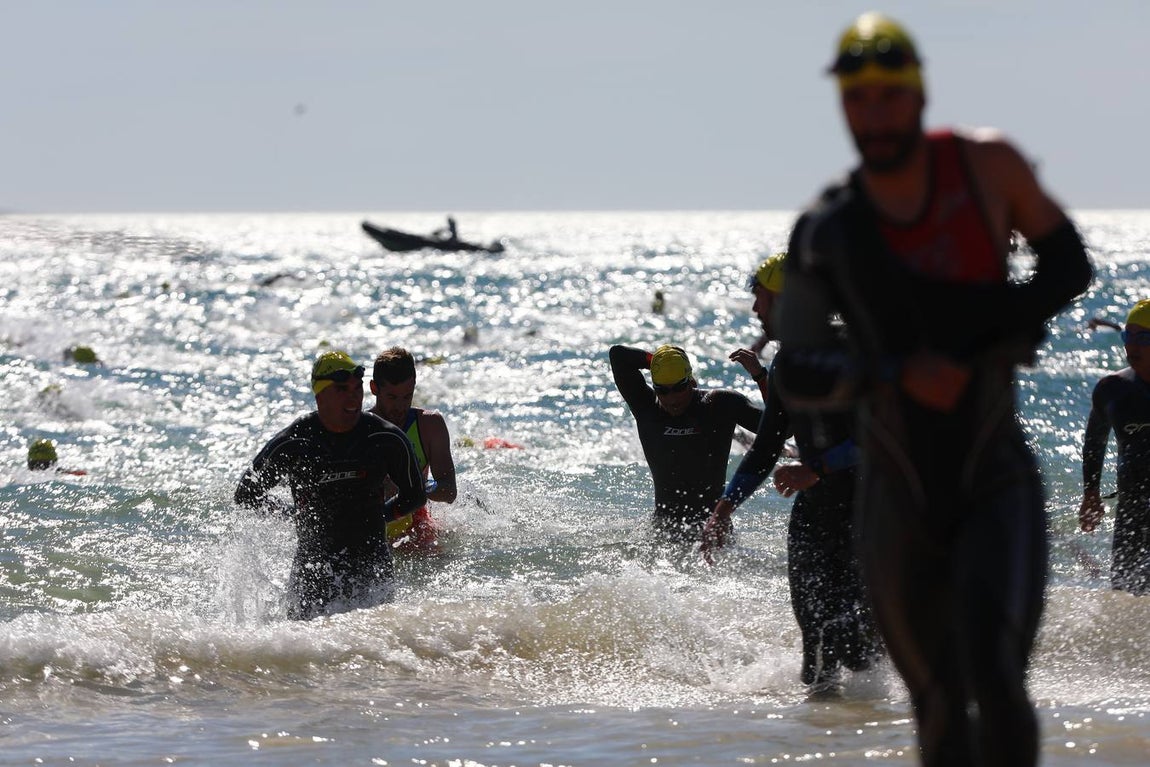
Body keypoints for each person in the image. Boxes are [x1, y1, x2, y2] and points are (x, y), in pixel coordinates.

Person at [773, 13, 1091, 767]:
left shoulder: (988, 168)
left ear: (918, 94)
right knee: (938, 700)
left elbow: (1067, 265)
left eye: (890, 93)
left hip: (993, 474)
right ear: (843, 106)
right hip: (897, 487)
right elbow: (794, 368)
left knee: (996, 675)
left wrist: (993, 328)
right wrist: (887, 372)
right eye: (859, 98)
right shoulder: (828, 229)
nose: (875, 111)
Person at [702, 253, 879, 692]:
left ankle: (875, 721)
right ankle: (821, 741)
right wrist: (725, 506)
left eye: (762, 299)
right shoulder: (785, 365)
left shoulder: (852, 353)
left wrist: (817, 467)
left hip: (870, 509)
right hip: (815, 511)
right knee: (814, 646)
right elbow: (765, 446)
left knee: (854, 644)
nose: (756, 310)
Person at [234, 350, 426, 620]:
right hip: (313, 571)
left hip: (371, 568)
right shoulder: (296, 442)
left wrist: (381, 516)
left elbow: (415, 495)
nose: (353, 397)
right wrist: (290, 514)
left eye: (356, 388)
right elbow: (246, 494)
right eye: (341, 389)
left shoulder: (384, 437)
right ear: (320, 395)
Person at [609, 343, 762, 544]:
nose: (671, 398)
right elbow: (618, 355)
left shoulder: (719, 404)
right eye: (663, 390)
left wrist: (761, 376)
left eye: (679, 388)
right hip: (664, 531)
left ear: (690, 381)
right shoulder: (648, 408)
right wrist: (661, 361)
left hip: (712, 530)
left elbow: (784, 430)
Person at [1079, 299, 1150, 594]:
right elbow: (1095, 440)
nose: (1130, 345)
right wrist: (1091, 492)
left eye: (1142, 337)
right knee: (1125, 600)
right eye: (1127, 336)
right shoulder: (1113, 390)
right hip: (1131, 513)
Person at [370, 346, 458, 551]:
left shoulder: (429, 425)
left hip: (416, 526)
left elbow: (449, 491)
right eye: (392, 398)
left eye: (406, 397)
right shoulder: (360, 430)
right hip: (374, 526)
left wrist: (416, 488)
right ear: (374, 388)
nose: (400, 407)